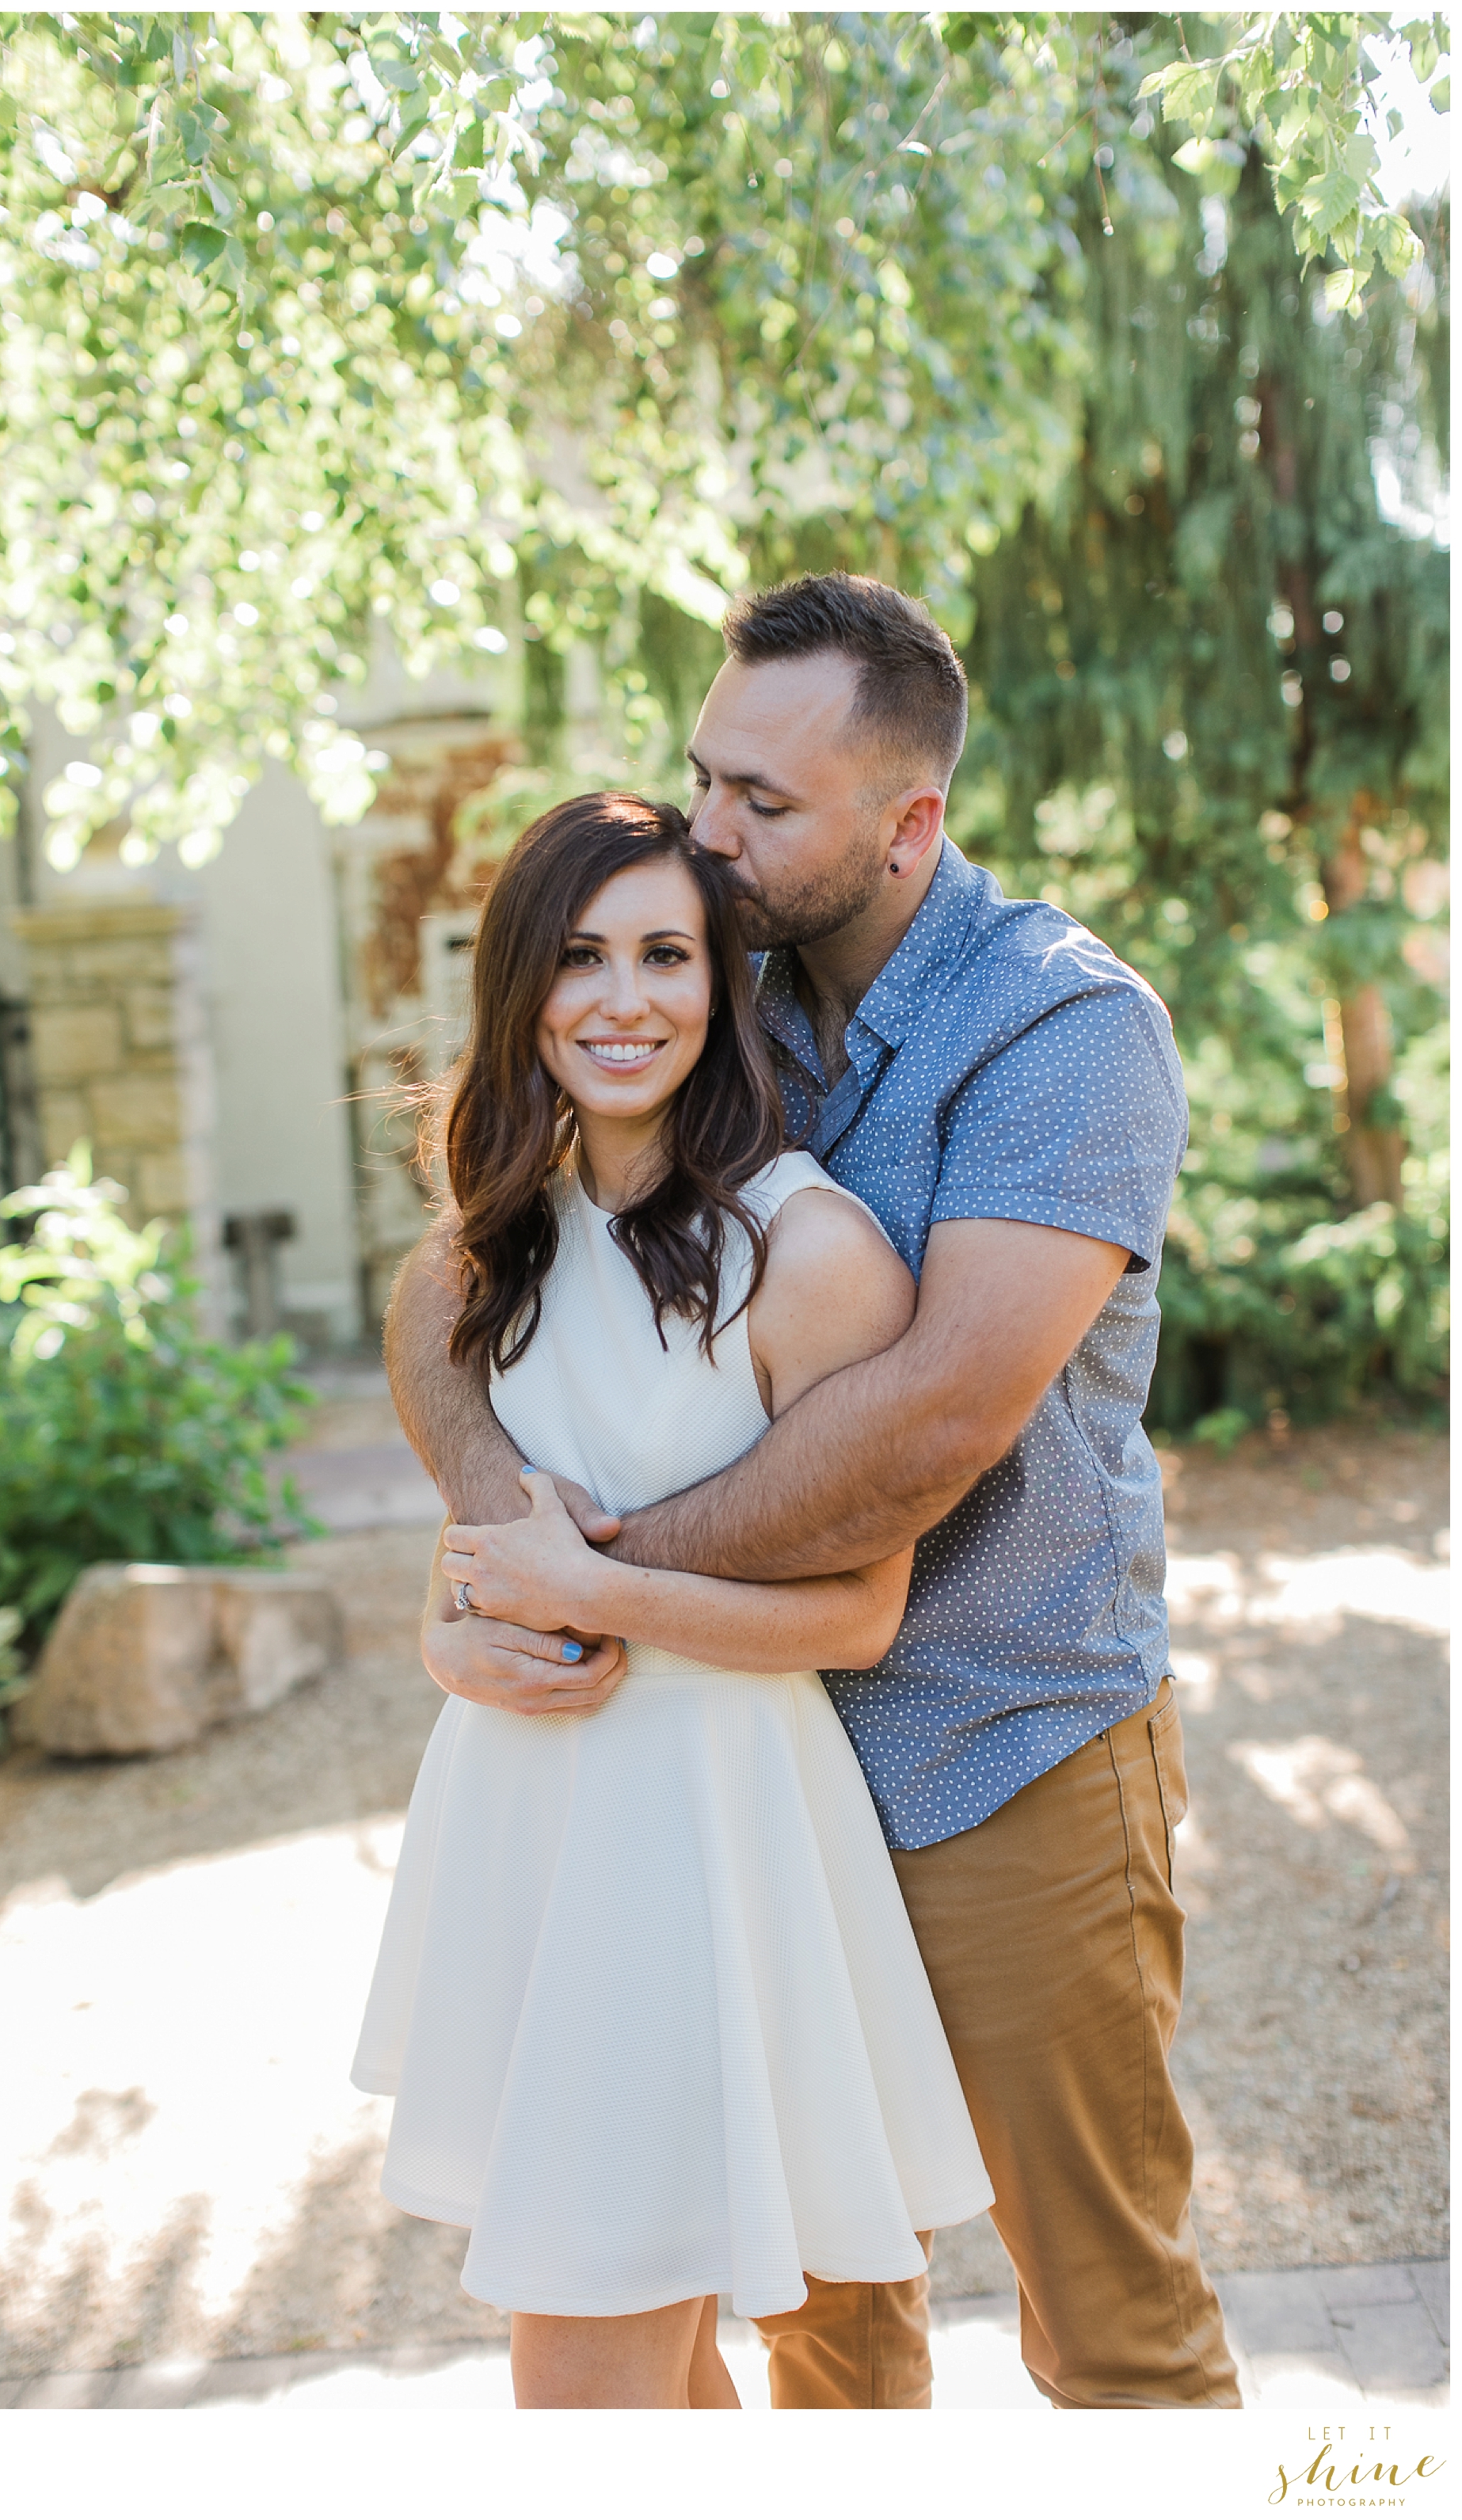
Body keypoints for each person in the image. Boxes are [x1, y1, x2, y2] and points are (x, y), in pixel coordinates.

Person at [385, 573, 1243, 2412]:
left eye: (761, 804)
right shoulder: (699, 977)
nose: (709, 833)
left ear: (904, 821)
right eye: (706, 779)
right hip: (742, 1775)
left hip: (993, 1735)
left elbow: (930, 1422)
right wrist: (489, 1547)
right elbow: (468, 1279)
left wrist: (590, 1575)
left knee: (1106, 2322)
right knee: (824, 2328)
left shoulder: (1061, 1033)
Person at [351, 790, 993, 2411]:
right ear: (519, 988)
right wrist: (457, 1630)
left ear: (723, 986)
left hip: (699, 1836)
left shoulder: (811, 1253)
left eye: (663, 954)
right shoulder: (479, 1259)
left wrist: (603, 1591)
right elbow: (490, 1558)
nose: (620, 999)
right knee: (640, 2363)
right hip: (525, 1825)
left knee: (580, 2373)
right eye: (576, 958)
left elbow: (857, 1614)